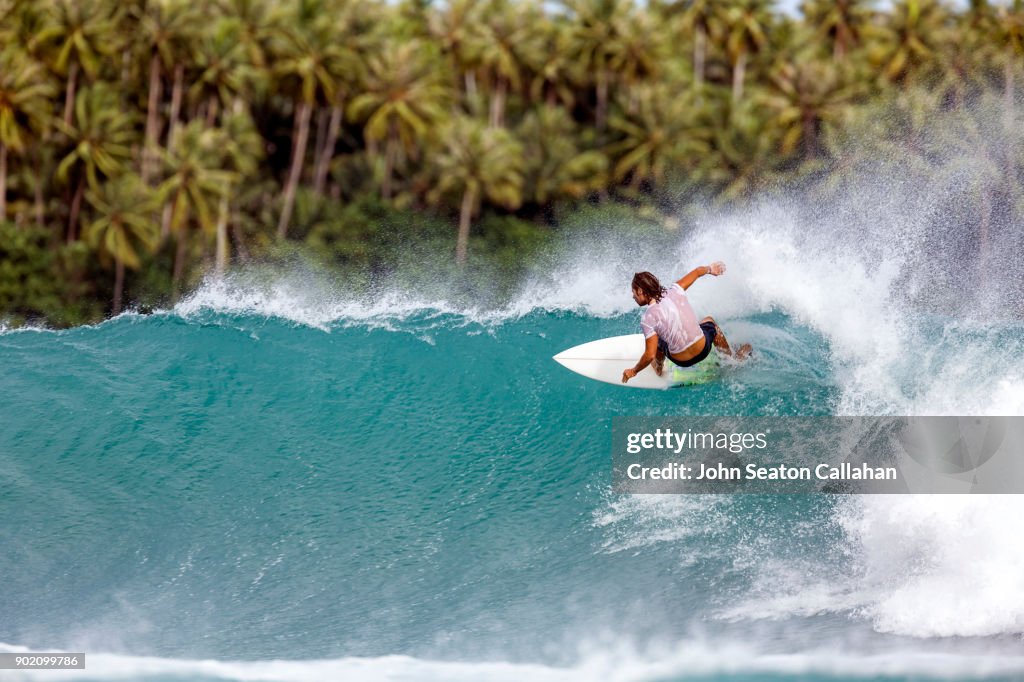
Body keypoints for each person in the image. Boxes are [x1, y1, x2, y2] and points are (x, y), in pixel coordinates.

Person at [622, 263, 751, 384]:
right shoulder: (676, 289)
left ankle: (658, 368)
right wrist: (711, 269)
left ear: (640, 291)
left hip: (681, 361)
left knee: (657, 342)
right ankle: (729, 359)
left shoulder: (648, 318)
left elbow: (649, 355)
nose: (633, 296)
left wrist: (633, 371)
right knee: (710, 322)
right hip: (703, 349)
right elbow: (698, 271)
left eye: (633, 293)